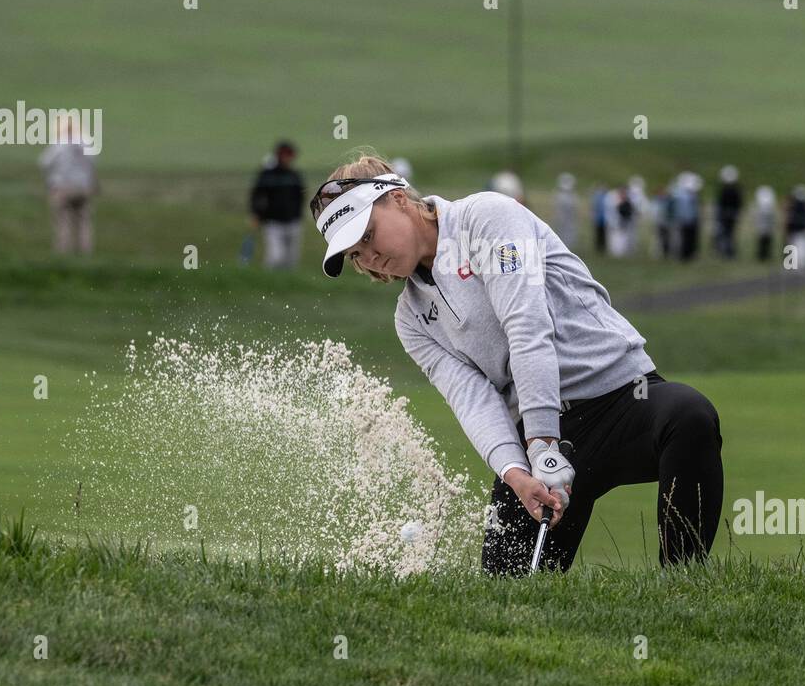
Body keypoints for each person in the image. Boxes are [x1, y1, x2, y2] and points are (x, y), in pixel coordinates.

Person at [310, 150, 725, 575]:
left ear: (398, 199)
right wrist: (516, 473)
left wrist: (543, 443)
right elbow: (471, 398)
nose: (368, 256)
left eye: (369, 234)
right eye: (355, 254)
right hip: (535, 441)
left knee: (689, 416)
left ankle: (682, 581)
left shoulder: (486, 217)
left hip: (620, 396)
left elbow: (525, 324)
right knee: (508, 587)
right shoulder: (411, 320)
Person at [38, 115, 97, 255]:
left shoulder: (59, 144)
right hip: (83, 188)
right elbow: (93, 162)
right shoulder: (85, 143)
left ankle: (63, 252)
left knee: (63, 221)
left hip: (62, 187)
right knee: (83, 221)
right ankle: (85, 252)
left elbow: (44, 162)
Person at [249, 140, 306, 269]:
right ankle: (268, 282)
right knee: (276, 256)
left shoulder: (294, 175)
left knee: (291, 259)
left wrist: (298, 214)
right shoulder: (267, 175)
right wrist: (256, 214)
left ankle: (286, 285)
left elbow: (300, 196)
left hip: (293, 221)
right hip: (273, 222)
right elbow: (256, 196)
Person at [714, 165, 742, 259]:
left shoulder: (725, 191)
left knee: (727, 234)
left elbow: (720, 204)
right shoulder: (736, 190)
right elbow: (739, 203)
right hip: (731, 215)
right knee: (729, 234)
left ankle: (727, 252)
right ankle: (728, 251)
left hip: (726, 216)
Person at [753, 185, 776, 262]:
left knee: (766, 240)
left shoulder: (767, 208)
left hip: (765, 226)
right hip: (764, 226)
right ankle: (763, 256)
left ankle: (764, 255)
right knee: (763, 240)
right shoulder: (765, 207)